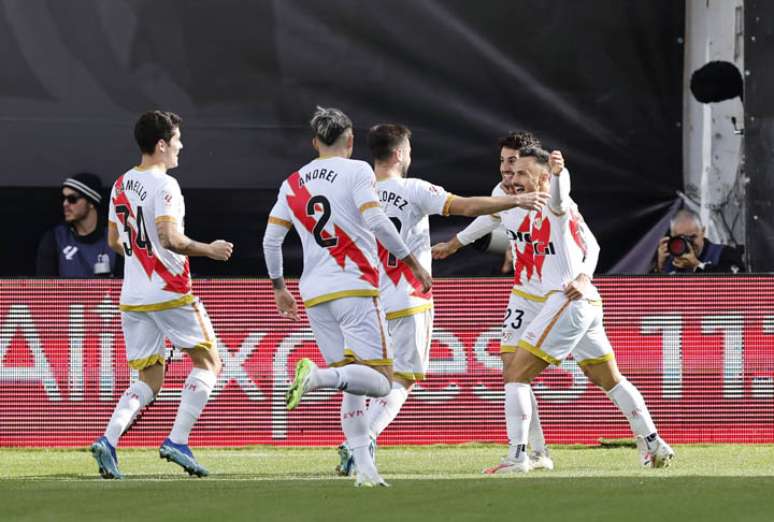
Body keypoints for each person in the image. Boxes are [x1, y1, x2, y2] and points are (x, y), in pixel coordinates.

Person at [334, 124, 549, 475]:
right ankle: (360, 441)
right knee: (402, 379)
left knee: (365, 376)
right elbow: (466, 206)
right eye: (408, 150)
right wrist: (516, 200)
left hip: (364, 300)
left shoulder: (353, 193)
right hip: (407, 297)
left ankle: (355, 438)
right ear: (400, 153)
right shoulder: (414, 189)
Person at [262, 107, 431, 488]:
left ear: (314, 142)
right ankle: (317, 377)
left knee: (353, 383)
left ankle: (365, 471)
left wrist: (279, 288)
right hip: (354, 287)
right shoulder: (357, 171)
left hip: (314, 293)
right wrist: (412, 263)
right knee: (383, 381)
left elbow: (271, 240)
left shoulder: (292, 183)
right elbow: (376, 220)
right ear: (351, 140)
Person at [484, 146, 674, 473]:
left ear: (543, 177)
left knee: (515, 374)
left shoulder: (554, 201)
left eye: (523, 173)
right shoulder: (548, 207)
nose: (514, 180)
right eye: (513, 173)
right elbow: (593, 244)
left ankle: (518, 457)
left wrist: (559, 174)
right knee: (608, 378)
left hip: (566, 301)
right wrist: (586, 275)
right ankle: (653, 442)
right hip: (585, 301)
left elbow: (558, 196)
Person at [90, 111, 233, 479]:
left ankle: (108, 440)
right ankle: (178, 440)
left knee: (149, 379)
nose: (181, 147)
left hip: (133, 295)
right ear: (161, 145)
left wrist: (141, 255)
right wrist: (209, 249)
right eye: (177, 140)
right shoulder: (165, 185)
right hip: (170, 291)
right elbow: (170, 238)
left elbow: (113, 241)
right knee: (210, 363)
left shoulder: (121, 184)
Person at [431, 132, 554, 471]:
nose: (506, 168)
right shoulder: (503, 193)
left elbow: (586, 241)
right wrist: (453, 244)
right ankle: (532, 452)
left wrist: (583, 275)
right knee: (513, 371)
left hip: (559, 296)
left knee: (604, 374)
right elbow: (487, 219)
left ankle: (651, 440)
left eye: (513, 161)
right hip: (524, 293)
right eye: (502, 161)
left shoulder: (552, 195)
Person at [36, 173, 121, 277]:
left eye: (72, 199)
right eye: (63, 198)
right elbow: (44, 285)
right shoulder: (55, 238)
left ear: (91, 202)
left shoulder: (116, 238)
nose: (65, 204)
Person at [653, 209, 746, 274]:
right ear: (672, 238)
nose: (688, 244)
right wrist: (659, 268)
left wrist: (697, 266)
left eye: (692, 237)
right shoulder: (670, 263)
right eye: (681, 239)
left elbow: (736, 285)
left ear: (702, 232)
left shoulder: (723, 253)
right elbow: (653, 294)